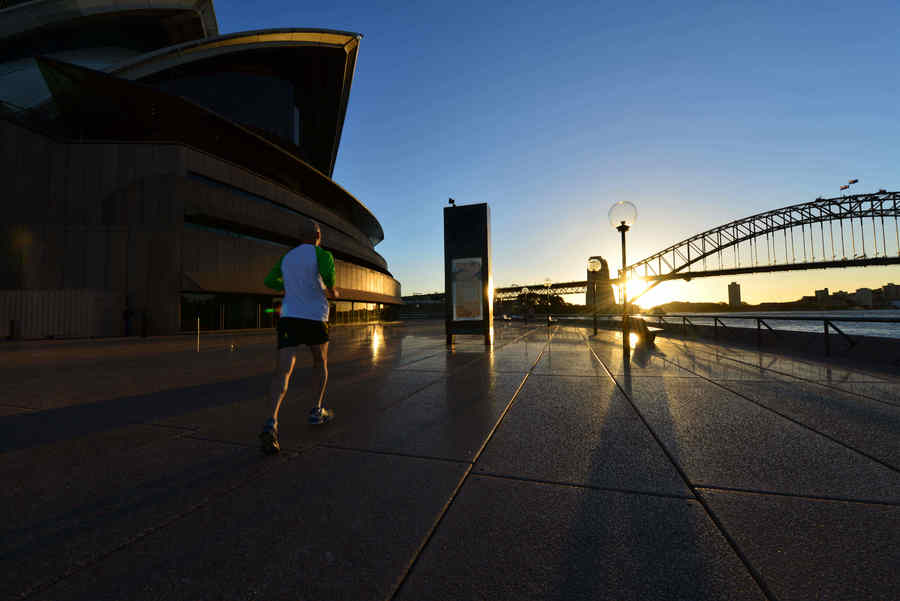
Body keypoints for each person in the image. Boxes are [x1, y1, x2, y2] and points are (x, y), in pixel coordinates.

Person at [259, 220, 338, 455]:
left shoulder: (288, 257)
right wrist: (332, 291)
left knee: (283, 370)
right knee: (320, 361)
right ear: (317, 235)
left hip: (290, 317)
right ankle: (316, 410)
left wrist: (288, 289)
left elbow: (270, 281)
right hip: (315, 318)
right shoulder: (323, 254)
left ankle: (271, 422)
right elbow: (329, 279)